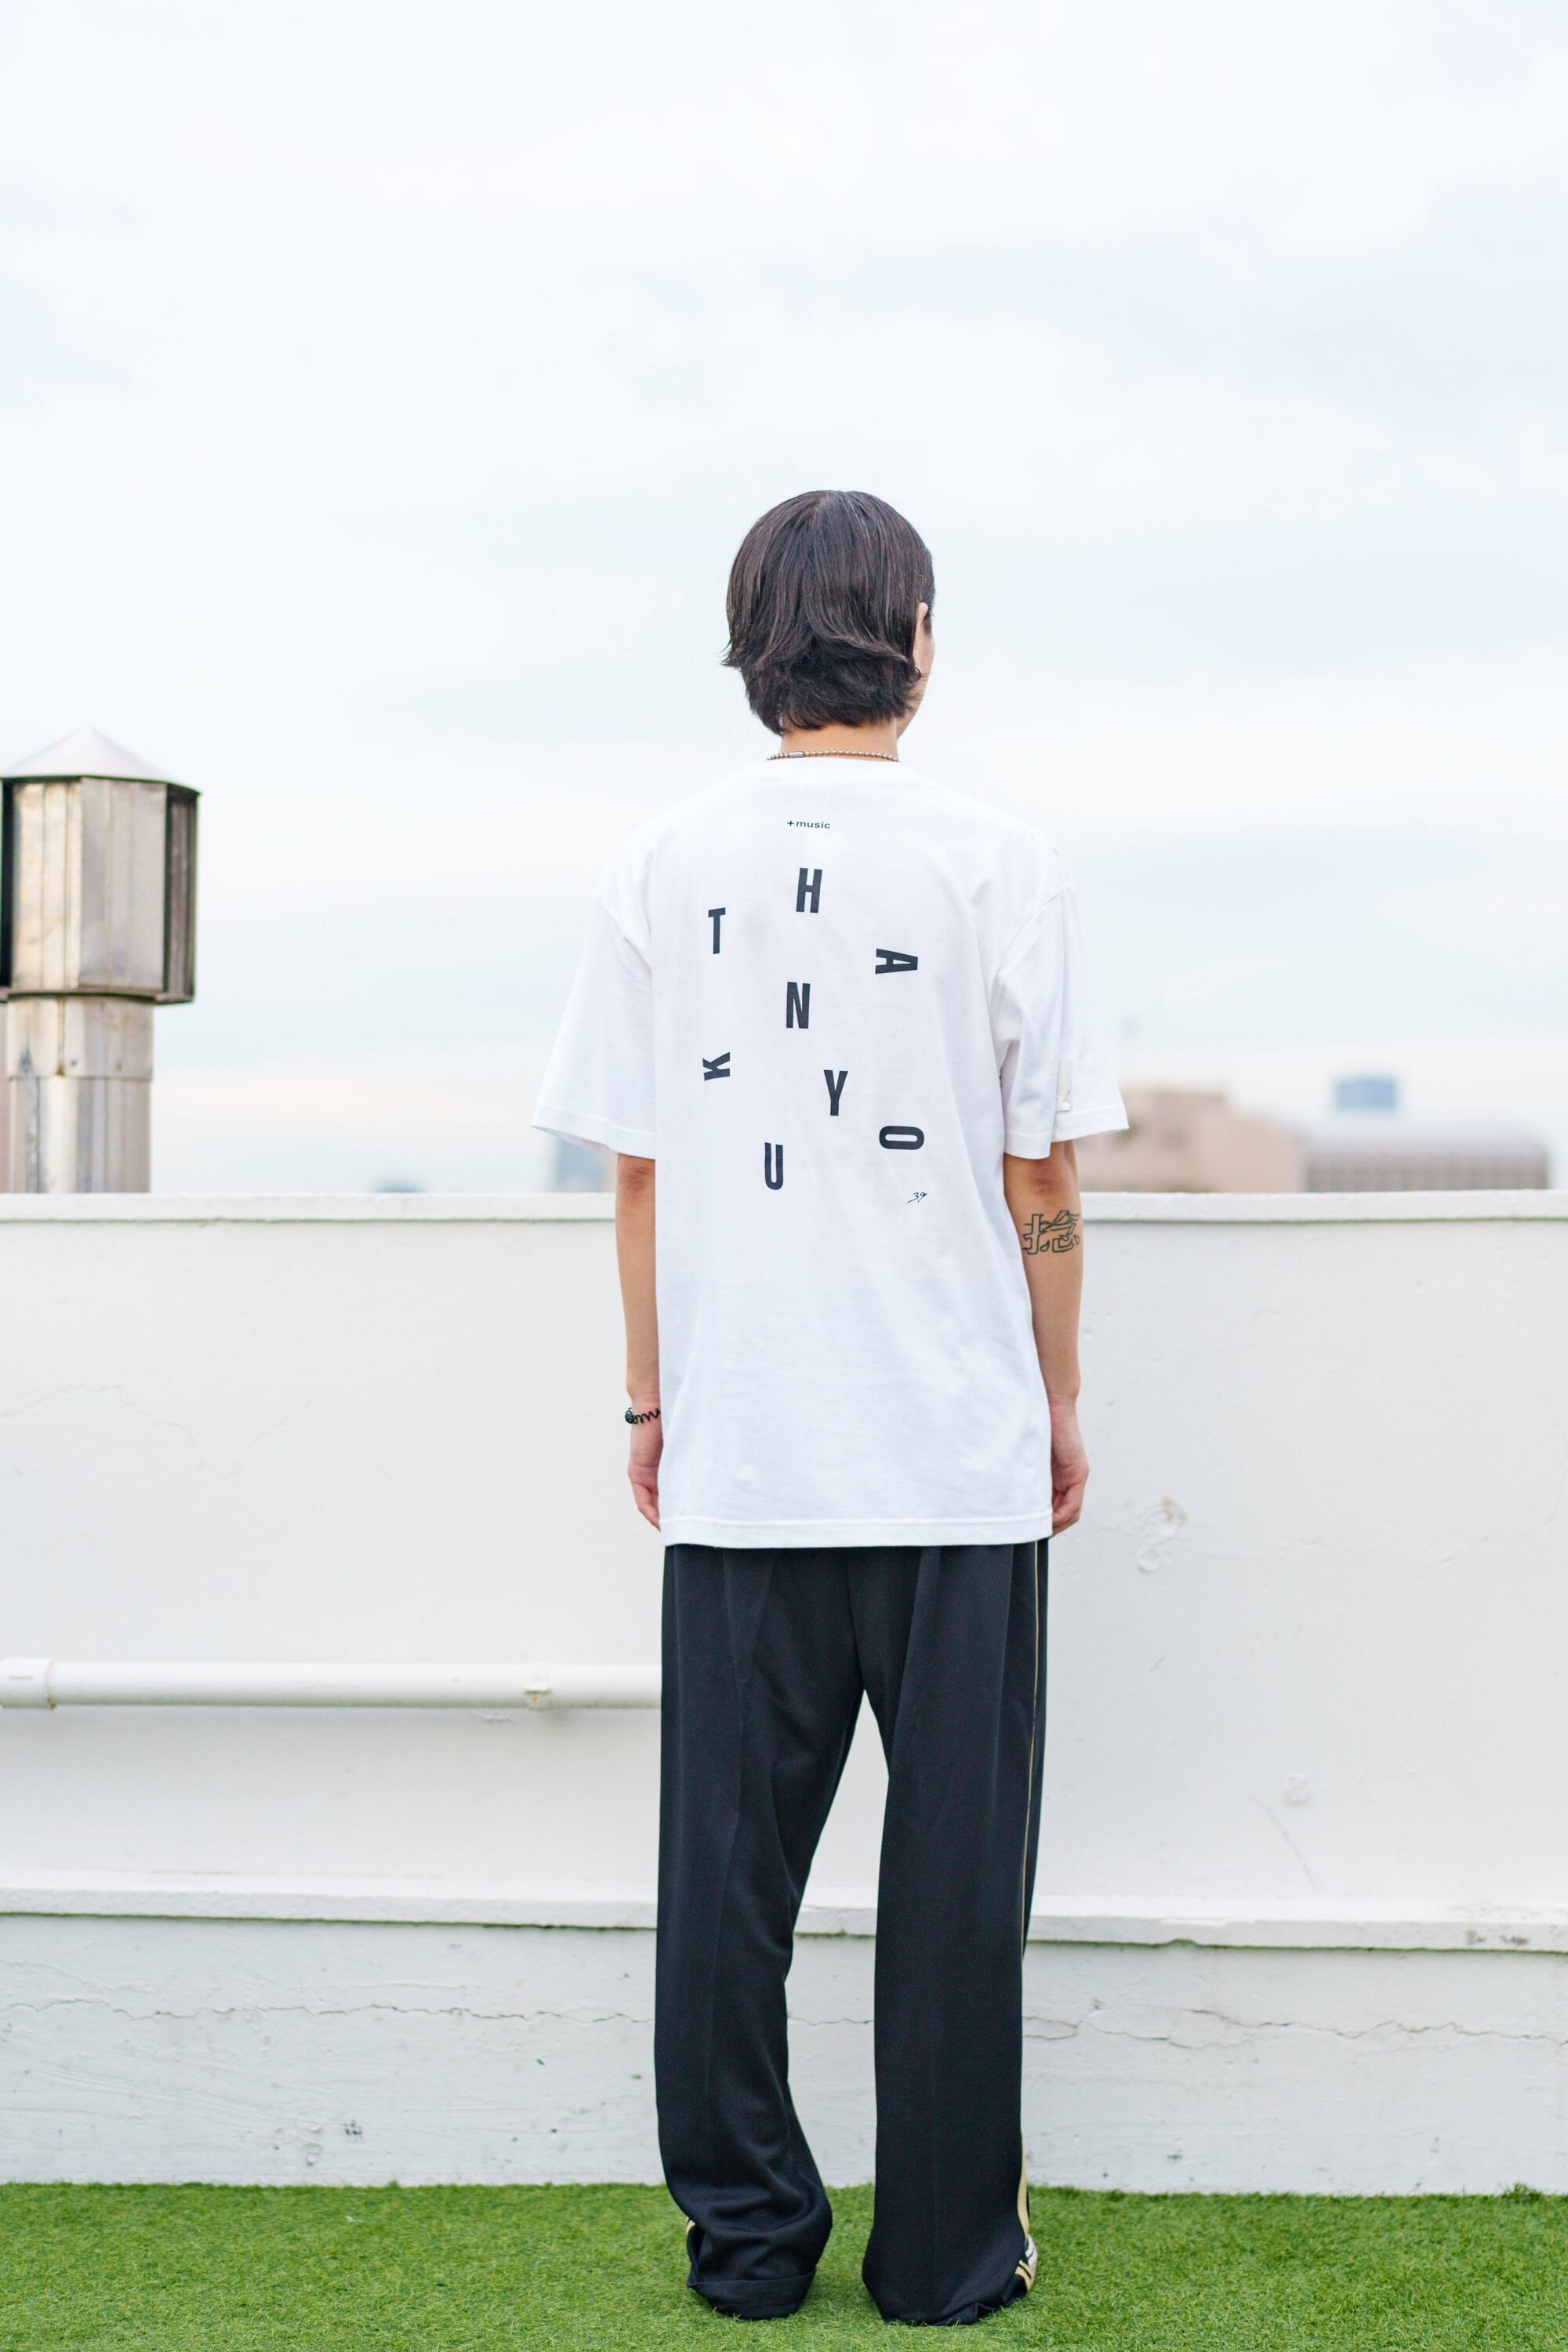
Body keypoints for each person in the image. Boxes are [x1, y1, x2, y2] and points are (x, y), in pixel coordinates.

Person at [534, 489, 1127, 2326]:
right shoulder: (1002, 863)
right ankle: (944, 2259)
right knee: (955, 1887)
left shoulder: (658, 864)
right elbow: (1042, 1174)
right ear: (919, 640)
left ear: (749, 646)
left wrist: (649, 1400)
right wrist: (1057, 1397)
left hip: (745, 1452)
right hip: (955, 1454)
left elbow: (639, 1171)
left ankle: (745, 2246)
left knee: (723, 1886)